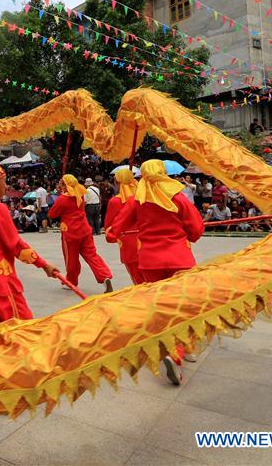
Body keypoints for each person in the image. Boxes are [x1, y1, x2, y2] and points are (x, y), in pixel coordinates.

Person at [107, 159, 204, 385]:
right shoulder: (178, 198)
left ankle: (167, 347)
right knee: (182, 307)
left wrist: (114, 232)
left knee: (160, 308)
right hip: (180, 259)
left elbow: (114, 232)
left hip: (149, 262)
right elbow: (196, 231)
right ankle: (181, 351)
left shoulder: (135, 201)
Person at [0, 165, 60, 323]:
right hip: (1, 280)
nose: (7, 186)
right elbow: (16, 246)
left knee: (4, 336)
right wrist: (43, 265)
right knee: (23, 332)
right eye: (4, 181)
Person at [48, 175, 114, 292]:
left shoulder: (63, 199)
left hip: (70, 232)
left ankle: (71, 281)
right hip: (84, 229)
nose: (58, 186)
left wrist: (60, 197)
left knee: (71, 259)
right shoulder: (80, 195)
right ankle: (105, 277)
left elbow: (52, 214)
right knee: (92, 255)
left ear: (65, 185)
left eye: (60, 184)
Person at [104, 167, 142, 284]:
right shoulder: (143, 196)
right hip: (147, 240)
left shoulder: (115, 201)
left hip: (128, 243)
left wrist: (111, 236)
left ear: (117, 182)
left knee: (137, 279)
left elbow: (109, 226)